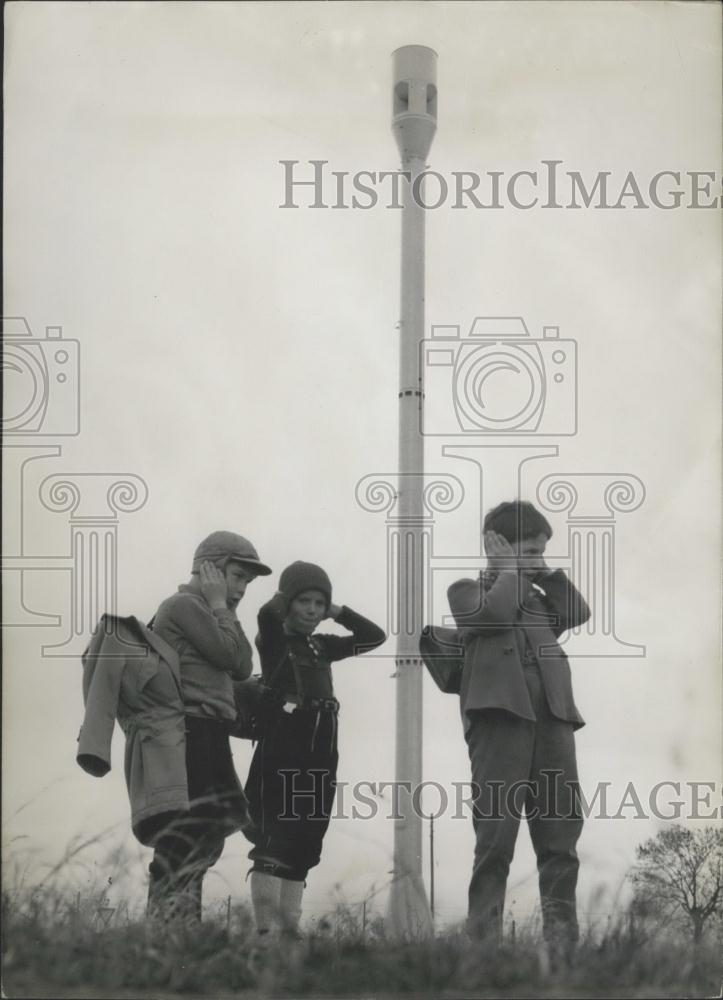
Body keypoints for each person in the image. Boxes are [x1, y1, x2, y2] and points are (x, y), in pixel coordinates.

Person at [446, 500, 591, 963]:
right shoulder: (467, 591)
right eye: (528, 550)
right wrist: (507, 569)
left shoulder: (539, 600)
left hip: (553, 723)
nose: (537, 559)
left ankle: (563, 948)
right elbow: (490, 618)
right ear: (498, 547)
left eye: (541, 551)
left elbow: (578, 611)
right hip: (500, 726)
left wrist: (542, 571)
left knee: (560, 841)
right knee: (496, 841)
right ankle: (484, 951)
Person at [244, 560, 386, 939]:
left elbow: (374, 636)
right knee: (274, 832)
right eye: (303, 600)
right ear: (288, 602)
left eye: (318, 603)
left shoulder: (321, 645)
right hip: (284, 738)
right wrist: (286, 593)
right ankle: (264, 934)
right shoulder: (274, 639)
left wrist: (338, 610)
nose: (311, 609)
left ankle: (287, 932)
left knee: (306, 836)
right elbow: (265, 614)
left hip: (322, 742)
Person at [146, 530, 272, 925]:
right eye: (236, 576)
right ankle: (170, 929)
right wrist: (222, 605)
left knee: (206, 836)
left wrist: (224, 608)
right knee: (186, 834)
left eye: (246, 583)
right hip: (188, 731)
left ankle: (180, 927)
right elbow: (234, 659)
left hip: (208, 731)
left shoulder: (212, 612)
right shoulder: (184, 605)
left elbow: (244, 663)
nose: (241, 589)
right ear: (209, 570)